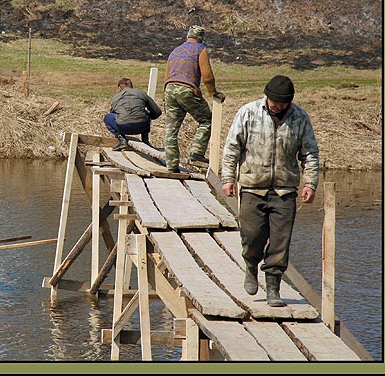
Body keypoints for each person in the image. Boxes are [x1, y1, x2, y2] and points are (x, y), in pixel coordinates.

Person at [221, 75, 319, 307]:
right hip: (253, 186)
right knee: (252, 236)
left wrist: (309, 183)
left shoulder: (300, 118)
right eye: (275, 102)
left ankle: (273, 288)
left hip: (285, 190)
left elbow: (310, 153)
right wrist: (228, 178)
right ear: (266, 97)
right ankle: (251, 266)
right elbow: (232, 147)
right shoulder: (248, 113)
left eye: (283, 103)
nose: (278, 106)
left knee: (280, 243)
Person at [163, 25, 225, 172]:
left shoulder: (175, 51)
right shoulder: (200, 48)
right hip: (186, 89)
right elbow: (207, 75)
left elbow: (166, 75)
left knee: (170, 130)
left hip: (169, 89)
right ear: (202, 38)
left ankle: (171, 167)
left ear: (187, 36)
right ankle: (197, 153)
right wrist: (213, 92)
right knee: (206, 120)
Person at [104, 77, 162, 150]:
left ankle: (122, 140)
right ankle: (145, 140)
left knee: (107, 117)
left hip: (123, 127)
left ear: (119, 88)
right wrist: (149, 118)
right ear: (132, 86)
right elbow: (157, 112)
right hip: (142, 126)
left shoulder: (116, 97)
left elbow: (113, 114)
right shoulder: (141, 94)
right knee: (145, 113)